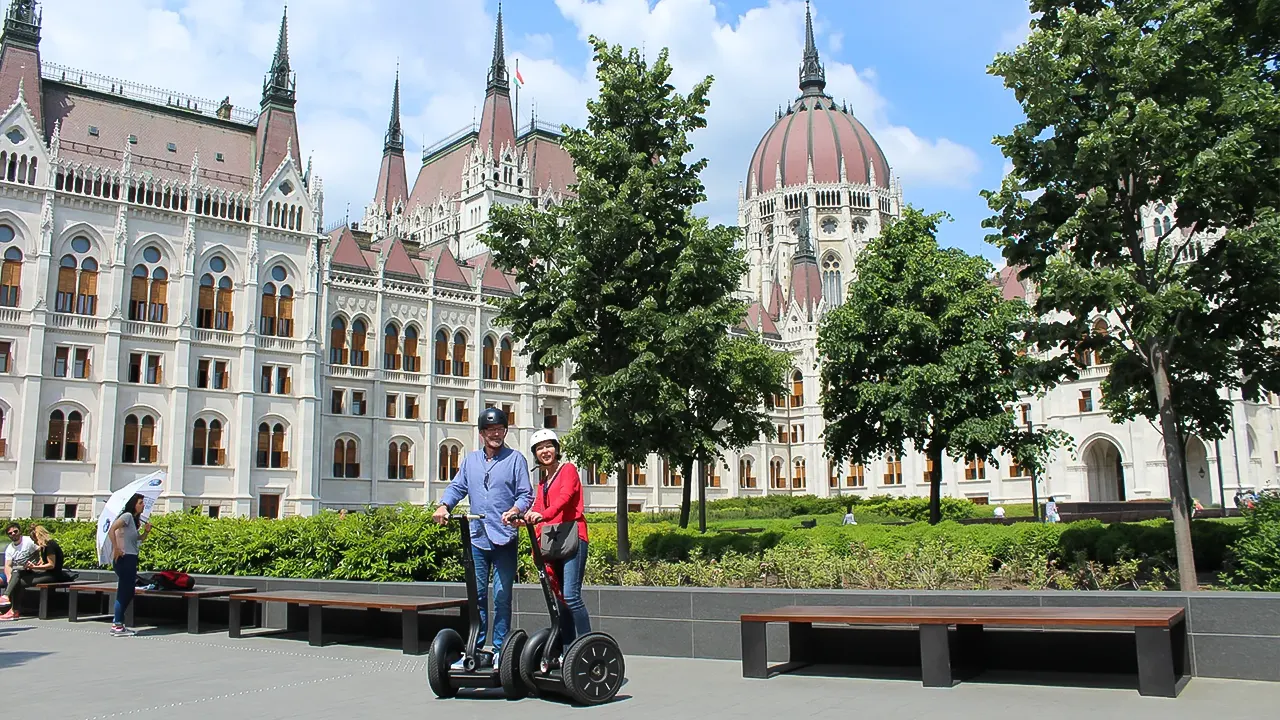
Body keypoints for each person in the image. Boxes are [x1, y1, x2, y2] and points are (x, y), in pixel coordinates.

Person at [432, 407, 532, 669]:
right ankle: (473, 651)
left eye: (500, 430)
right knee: (476, 597)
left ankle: (500, 650)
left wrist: (516, 509)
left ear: (505, 431)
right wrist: (445, 506)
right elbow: (458, 486)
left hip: (504, 538)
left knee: (501, 595)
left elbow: (525, 494)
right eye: (490, 430)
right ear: (481, 434)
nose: (496, 434)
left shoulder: (515, 460)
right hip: (477, 538)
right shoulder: (471, 461)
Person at [522, 429, 590, 658]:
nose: (545, 451)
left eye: (549, 446)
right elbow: (538, 508)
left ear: (557, 449)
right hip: (555, 541)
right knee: (560, 600)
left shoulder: (568, 469)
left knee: (571, 595)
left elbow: (565, 498)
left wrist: (544, 515)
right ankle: (569, 651)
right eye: (540, 448)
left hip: (573, 537)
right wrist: (521, 520)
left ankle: (587, 645)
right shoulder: (543, 482)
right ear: (535, 454)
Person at [107, 493, 152, 636]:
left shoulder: (133, 520)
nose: (143, 505)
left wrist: (146, 532)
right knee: (125, 592)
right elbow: (111, 529)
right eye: (140, 502)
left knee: (127, 591)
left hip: (131, 558)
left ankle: (118, 624)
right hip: (125, 558)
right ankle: (118, 625)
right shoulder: (126, 516)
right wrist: (116, 548)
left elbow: (136, 540)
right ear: (133, 504)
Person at [1, 522, 39, 620]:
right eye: (10, 533)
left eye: (15, 531)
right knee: (15, 576)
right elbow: (8, 565)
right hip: (20, 572)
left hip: (34, 570)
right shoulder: (10, 548)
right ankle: (13, 610)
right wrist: (9, 578)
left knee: (16, 575)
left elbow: (41, 551)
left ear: (19, 531)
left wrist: (35, 564)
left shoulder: (28, 541)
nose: (13, 534)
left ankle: (7, 600)